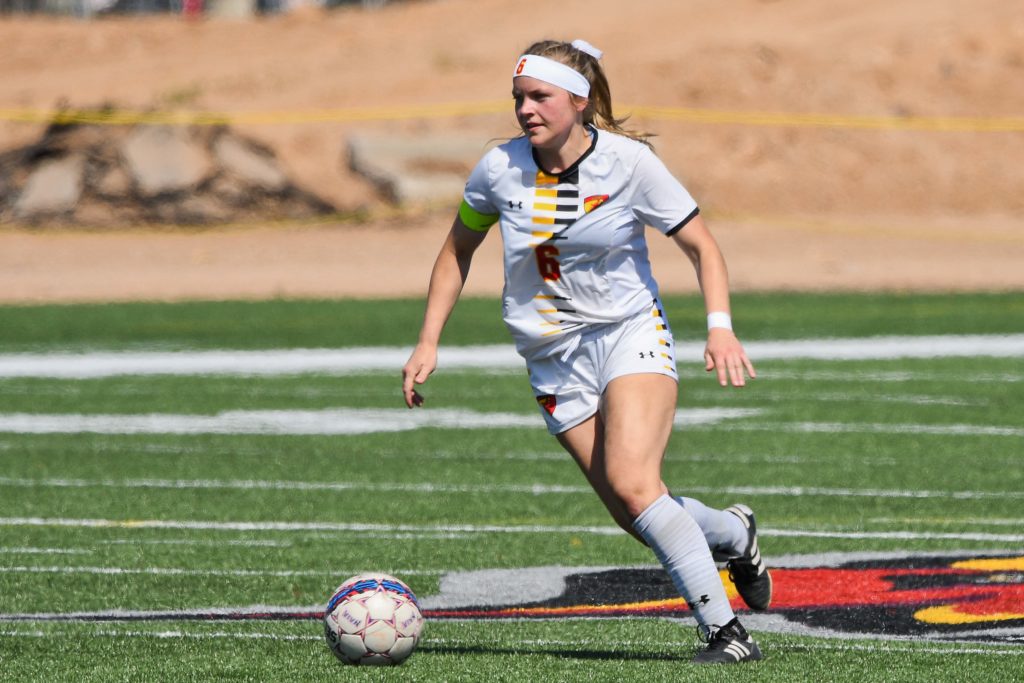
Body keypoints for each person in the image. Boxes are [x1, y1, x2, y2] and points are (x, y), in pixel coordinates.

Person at [402, 38, 771, 664]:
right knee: (636, 511)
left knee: (634, 483)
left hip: (628, 333)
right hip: (550, 357)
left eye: (539, 97)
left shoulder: (630, 164)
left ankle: (726, 632)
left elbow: (703, 246)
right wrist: (427, 340)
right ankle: (735, 534)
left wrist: (719, 326)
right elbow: (456, 250)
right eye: (518, 98)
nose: (525, 110)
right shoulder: (499, 168)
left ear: (578, 101)